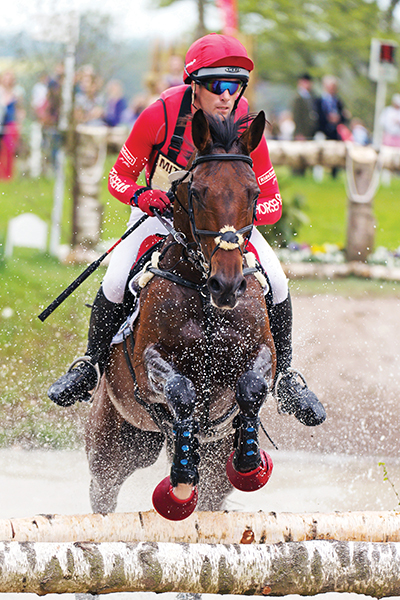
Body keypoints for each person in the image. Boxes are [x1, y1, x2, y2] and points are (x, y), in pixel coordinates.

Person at [48, 33, 326, 428]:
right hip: (160, 217)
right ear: (193, 83)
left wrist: (236, 220)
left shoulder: (246, 123)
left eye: (235, 86)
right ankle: (90, 365)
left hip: (224, 229)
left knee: (278, 282)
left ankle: (285, 377)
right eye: (217, 86)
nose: (227, 96)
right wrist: (145, 197)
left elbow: (273, 203)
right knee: (114, 280)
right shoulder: (159, 114)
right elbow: (118, 177)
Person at [0, 70, 24, 180]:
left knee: (9, 149)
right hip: (1, 122)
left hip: (11, 124)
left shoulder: (17, 93)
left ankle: (7, 176)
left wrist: (20, 124)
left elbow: (20, 109)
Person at [292, 73, 318, 141]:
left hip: (310, 131)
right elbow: (296, 116)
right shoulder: (298, 98)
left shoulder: (312, 96)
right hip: (302, 132)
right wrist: (299, 133)